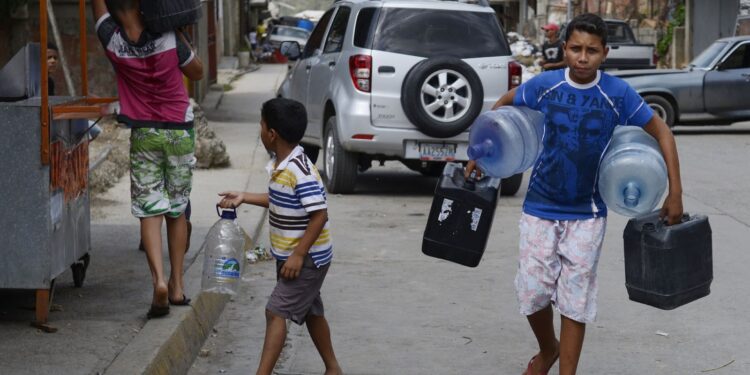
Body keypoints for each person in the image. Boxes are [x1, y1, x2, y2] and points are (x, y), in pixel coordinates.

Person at [467, 13, 683, 375]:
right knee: (533, 291)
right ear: (564, 49)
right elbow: (502, 107)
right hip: (540, 205)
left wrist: (675, 192)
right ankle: (547, 347)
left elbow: (663, 132)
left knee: (575, 299)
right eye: (576, 49)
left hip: (588, 212)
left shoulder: (617, 94)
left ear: (605, 53)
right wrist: (481, 152)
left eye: (592, 51)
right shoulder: (546, 86)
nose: (583, 58)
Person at [91, 0, 204, 318]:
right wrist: (179, 34)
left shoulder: (112, 40)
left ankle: (158, 282)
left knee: (149, 210)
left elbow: (97, 8)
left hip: (144, 134)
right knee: (177, 209)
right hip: (179, 132)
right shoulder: (168, 37)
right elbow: (198, 72)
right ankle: (177, 284)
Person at [218, 98, 342, 375]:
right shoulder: (282, 164)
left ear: (271, 134)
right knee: (311, 311)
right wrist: (244, 197)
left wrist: (298, 255)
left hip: (306, 258)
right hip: (294, 255)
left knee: (275, 312)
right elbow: (279, 199)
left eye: (261, 125)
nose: (260, 130)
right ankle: (333, 368)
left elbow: (319, 214)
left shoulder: (299, 170)